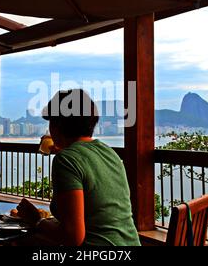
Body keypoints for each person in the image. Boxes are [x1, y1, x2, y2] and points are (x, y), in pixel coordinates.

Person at [17, 89, 140, 246]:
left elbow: (73, 238)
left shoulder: (66, 159)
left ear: (57, 124)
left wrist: (37, 220)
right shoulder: (108, 152)